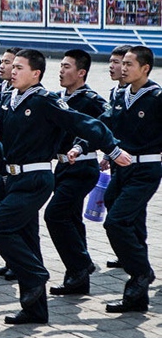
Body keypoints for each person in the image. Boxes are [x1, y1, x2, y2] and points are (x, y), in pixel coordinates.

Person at [0, 49, 129, 325]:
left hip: (36, 179)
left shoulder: (45, 101)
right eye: (12, 66)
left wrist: (111, 148)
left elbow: (83, 123)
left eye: (19, 67)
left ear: (36, 74)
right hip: (13, 178)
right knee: (27, 239)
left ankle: (36, 275)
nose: (13, 71)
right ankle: (35, 310)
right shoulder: (10, 98)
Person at [85, 46, 162, 312]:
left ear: (145, 68)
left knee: (116, 222)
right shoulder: (120, 95)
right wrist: (82, 145)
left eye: (130, 64)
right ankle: (136, 297)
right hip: (121, 169)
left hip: (145, 171)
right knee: (133, 228)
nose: (123, 68)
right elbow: (104, 127)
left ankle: (142, 272)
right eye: (123, 63)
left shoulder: (157, 97)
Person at [44, 50, 108, 296]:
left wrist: (91, 147)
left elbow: (106, 124)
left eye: (67, 67)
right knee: (70, 219)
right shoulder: (58, 98)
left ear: (81, 72)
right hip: (61, 166)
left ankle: (82, 264)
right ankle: (77, 278)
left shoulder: (91, 100)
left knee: (55, 215)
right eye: (60, 66)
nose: (61, 70)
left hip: (82, 166)